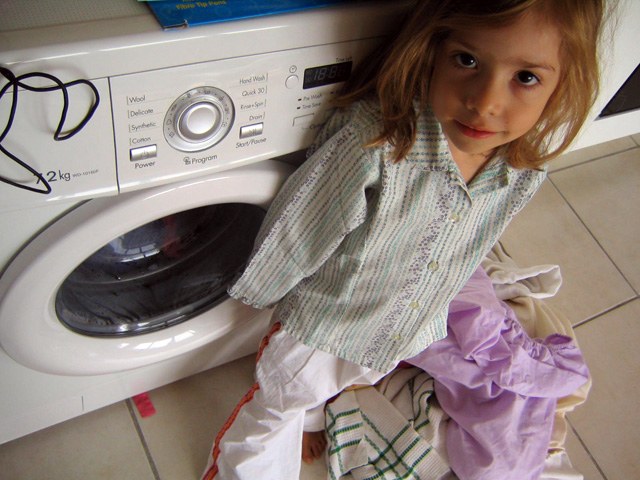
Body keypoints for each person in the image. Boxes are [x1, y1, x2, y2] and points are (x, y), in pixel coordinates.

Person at [201, 1, 604, 478]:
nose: (485, 101)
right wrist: (260, 297)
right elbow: (299, 229)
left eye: (526, 78)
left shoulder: (518, 169)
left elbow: (472, 243)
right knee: (278, 407)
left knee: (337, 382)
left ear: (561, 85)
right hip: (320, 326)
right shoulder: (376, 143)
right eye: (467, 61)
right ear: (432, 50)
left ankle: (313, 411)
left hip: (403, 330)